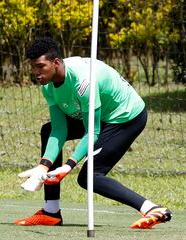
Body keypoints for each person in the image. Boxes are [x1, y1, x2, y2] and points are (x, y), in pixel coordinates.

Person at [14, 37, 172, 229]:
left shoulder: (83, 82)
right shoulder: (48, 87)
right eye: (33, 68)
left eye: (40, 66)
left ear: (55, 62)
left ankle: (153, 209)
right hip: (100, 115)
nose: (36, 73)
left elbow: (93, 132)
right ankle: (51, 212)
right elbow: (59, 129)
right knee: (47, 130)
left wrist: (69, 165)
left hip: (125, 118)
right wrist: (43, 167)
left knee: (89, 176)